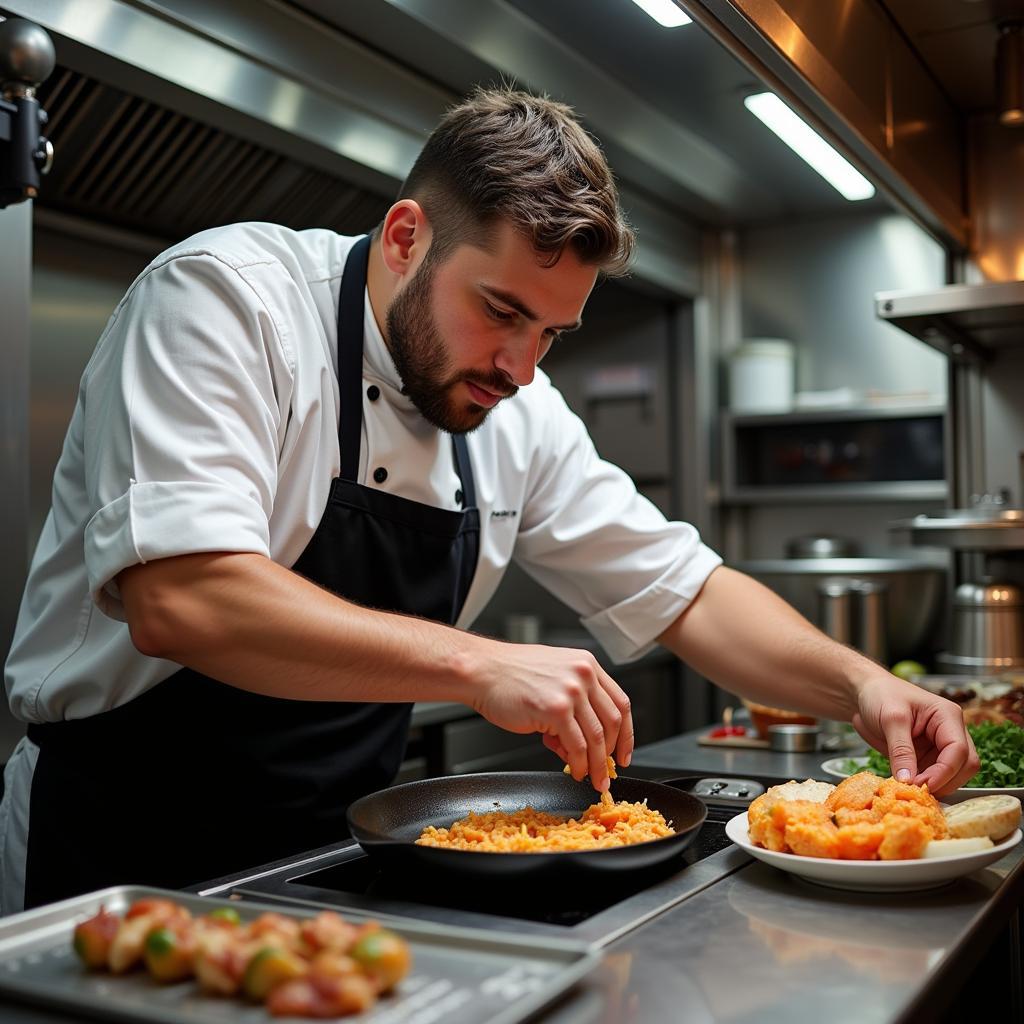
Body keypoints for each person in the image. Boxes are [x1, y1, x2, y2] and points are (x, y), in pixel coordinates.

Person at [0, 88, 977, 915]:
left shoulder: (519, 411)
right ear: (404, 237)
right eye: (501, 310)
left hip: (337, 860)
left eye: (551, 332)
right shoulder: (227, 300)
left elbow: (688, 591)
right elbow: (185, 599)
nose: (519, 366)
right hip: (114, 856)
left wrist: (863, 689)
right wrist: (479, 662)